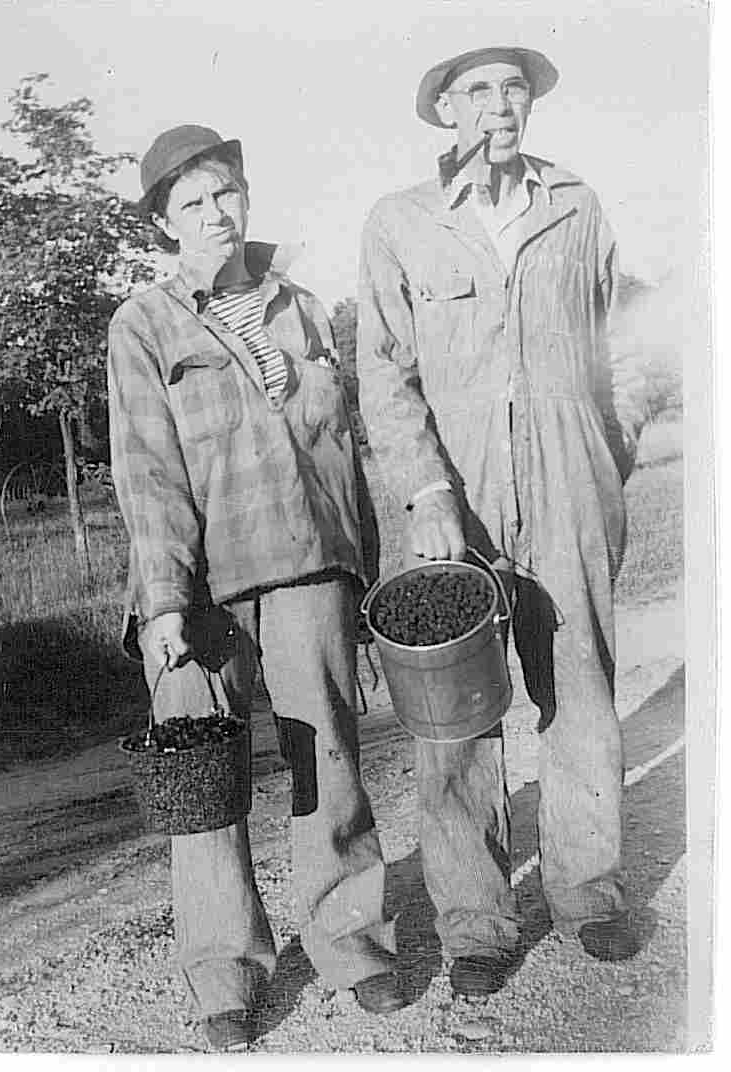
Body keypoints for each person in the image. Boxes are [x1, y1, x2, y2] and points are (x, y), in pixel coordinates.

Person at [107, 125, 408, 1052]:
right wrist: (163, 603)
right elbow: (147, 473)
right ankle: (225, 972)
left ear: (246, 198)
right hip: (196, 587)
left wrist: (362, 569)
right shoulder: (145, 325)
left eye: (225, 194)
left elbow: (340, 450)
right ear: (165, 222)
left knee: (329, 756)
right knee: (202, 776)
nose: (214, 214)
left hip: (310, 559)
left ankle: (352, 941)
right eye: (190, 202)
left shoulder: (303, 309)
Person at [356, 46, 644, 999]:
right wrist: (429, 494)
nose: (498, 105)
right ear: (443, 109)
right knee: (457, 717)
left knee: (581, 691)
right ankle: (478, 926)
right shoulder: (401, 224)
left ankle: (589, 893)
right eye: (475, 90)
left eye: (512, 87)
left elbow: (624, 344)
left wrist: (610, 452)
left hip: (569, 486)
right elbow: (385, 381)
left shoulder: (576, 205)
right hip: (456, 507)